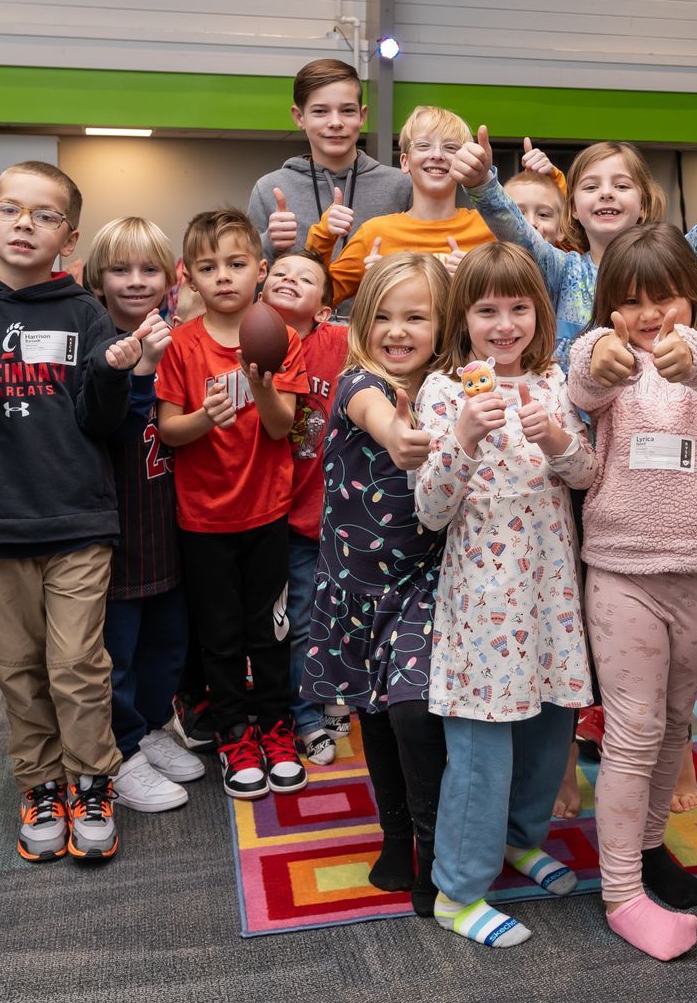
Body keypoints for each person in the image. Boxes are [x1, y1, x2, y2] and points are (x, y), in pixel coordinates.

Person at [0, 161, 141, 864]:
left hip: (78, 517)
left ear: (68, 238)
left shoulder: (85, 313)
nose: (25, 223)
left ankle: (91, 779)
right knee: (17, 665)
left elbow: (101, 424)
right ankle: (41, 783)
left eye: (43, 215)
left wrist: (111, 373)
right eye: (10, 210)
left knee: (77, 662)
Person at [567, 223, 697, 961]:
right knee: (634, 729)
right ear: (610, 305)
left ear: (695, 293)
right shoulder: (601, 354)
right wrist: (607, 352)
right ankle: (619, 890)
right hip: (621, 569)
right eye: (630, 300)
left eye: (664, 298)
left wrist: (692, 348)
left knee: (677, 720)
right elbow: (583, 375)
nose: (648, 315)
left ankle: (647, 850)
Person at [414, 242, 597, 949]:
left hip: (550, 598)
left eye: (518, 307)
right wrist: (461, 433)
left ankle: (522, 839)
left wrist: (554, 436)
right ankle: (458, 891)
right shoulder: (441, 392)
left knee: (550, 732)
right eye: (486, 309)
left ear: (539, 314)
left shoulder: (553, 382)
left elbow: (584, 474)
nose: (503, 323)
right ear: (463, 318)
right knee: (482, 750)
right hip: (482, 607)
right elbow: (429, 508)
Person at [300, 254, 454, 914]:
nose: (397, 330)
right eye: (383, 316)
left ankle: (432, 844)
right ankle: (396, 834)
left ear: (443, 323)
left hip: (425, 583)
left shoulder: (452, 389)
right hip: (357, 587)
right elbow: (374, 414)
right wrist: (398, 432)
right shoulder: (358, 382)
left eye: (416, 316)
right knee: (374, 714)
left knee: (414, 711)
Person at [155, 209, 311, 800]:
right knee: (219, 636)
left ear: (261, 270)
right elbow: (170, 430)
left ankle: (275, 728)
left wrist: (264, 383)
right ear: (190, 277)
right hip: (203, 521)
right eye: (208, 266)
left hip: (267, 515)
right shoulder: (183, 348)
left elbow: (282, 429)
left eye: (237, 264)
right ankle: (234, 735)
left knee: (269, 629)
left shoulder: (281, 339)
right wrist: (203, 418)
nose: (224, 277)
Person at [452, 130, 697, 365]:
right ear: (572, 207)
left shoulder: (670, 260)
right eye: (591, 187)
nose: (606, 193)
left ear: (643, 204)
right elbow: (514, 231)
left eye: (621, 185)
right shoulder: (561, 270)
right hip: (575, 437)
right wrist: (482, 183)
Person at [80, 218, 208, 813]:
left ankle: (154, 725)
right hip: (115, 527)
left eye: (149, 270)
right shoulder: (93, 340)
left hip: (170, 523)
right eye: (119, 270)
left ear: (171, 278)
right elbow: (107, 425)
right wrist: (136, 369)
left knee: (168, 643)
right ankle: (123, 747)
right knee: (117, 651)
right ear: (96, 278)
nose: (135, 283)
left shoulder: (184, 336)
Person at [259, 247, 349, 765]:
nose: (290, 279)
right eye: (280, 273)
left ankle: (332, 692)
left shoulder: (337, 342)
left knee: (336, 613)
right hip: (278, 513)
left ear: (323, 310)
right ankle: (305, 712)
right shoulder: (247, 339)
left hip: (335, 513)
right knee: (298, 619)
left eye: (306, 278)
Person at [310, 106, 496, 305]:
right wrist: (324, 235)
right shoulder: (375, 233)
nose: (437, 155)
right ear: (405, 162)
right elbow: (317, 299)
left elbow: (524, 295)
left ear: (464, 161)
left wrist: (477, 281)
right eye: (424, 145)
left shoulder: (490, 228)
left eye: (451, 148)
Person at [248, 58, 411, 266]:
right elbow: (248, 276)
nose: (335, 122)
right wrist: (269, 243)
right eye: (320, 111)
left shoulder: (401, 185)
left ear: (362, 116)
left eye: (347, 111)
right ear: (299, 117)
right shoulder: (269, 189)